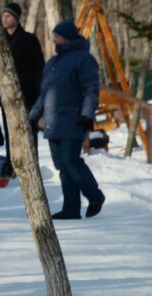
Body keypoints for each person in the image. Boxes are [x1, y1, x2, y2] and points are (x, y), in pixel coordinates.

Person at [28, 20, 104, 220]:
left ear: (68, 37)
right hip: (52, 123)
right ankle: (71, 208)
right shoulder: (52, 63)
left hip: (74, 119)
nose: (54, 39)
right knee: (62, 166)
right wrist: (33, 116)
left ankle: (95, 195)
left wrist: (87, 115)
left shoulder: (84, 59)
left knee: (71, 160)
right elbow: (43, 95)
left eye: (58, 36)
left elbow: (91, 90)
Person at [0, 1, 45, 150]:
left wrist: (37, 93)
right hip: (5, 96)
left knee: (29, 133)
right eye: (3, 15)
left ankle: (31, 165)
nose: (4, 19)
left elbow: (39, 68)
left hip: (27, 96)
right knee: (10, 133)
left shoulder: (29, 40)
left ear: (16, 18)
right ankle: (11, 164)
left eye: (8, 16)